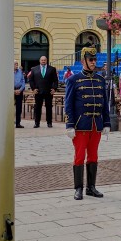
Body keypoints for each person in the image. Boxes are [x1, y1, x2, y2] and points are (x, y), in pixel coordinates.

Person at [65, 47, 111, 200]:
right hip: (81, 125)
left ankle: (91, 187)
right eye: (90, 60)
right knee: (79, 157)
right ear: (82, 61)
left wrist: (106, 122)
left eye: (94, 59)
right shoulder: (73, 80)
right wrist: (69, 124)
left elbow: (105, 103)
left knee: (93, 156)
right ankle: (78, 188)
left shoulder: (100, 79)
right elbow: (68, 104)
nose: (93, 62)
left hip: (95, 124)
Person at [29, 55, 59, 128]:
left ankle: (49, 123)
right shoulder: (34, 69)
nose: (43, 61)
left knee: (49, 108)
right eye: (42, 60)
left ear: (46, 61)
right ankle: (37, 123)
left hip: (48, 92)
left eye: (44, 60)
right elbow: (31, 80)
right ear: (40, 61)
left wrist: (54, 89)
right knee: (37, 108)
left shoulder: (52, 69)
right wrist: (33, 89)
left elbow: (55, 80)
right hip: (38, 92)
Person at [12, 61, 25, 129]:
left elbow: (23, 81)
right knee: (10, 108)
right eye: (15, 64)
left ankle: (18, 123)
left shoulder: (20, 71)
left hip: (19, 91)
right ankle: (9, 123)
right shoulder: (7, 72)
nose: (16, 65)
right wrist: (13, 91)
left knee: (19, 108)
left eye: (17, 64)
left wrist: (20, 90)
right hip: (10, 92)